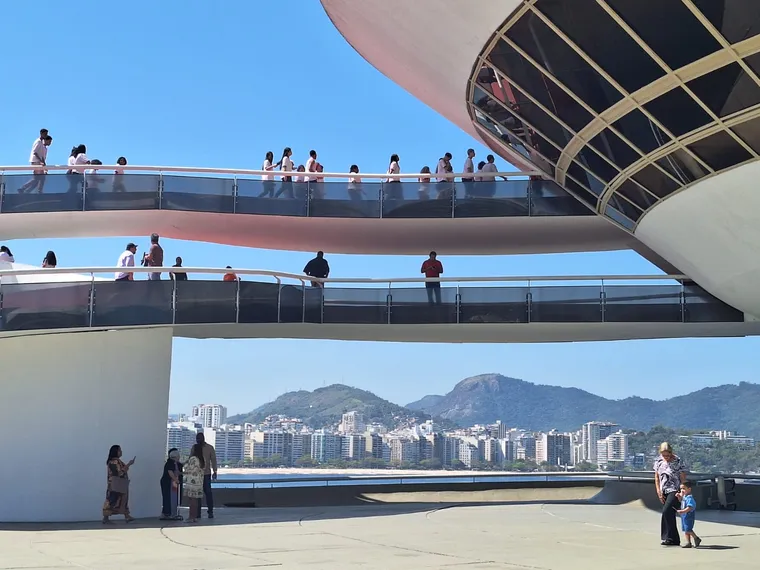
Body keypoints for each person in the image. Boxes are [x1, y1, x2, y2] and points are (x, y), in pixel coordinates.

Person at [654, 441, 687, 546]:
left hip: (674, 489)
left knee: (666, 511)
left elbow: (682, 475)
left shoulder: (677, 460)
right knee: (670, 514)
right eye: (664, 455)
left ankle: (668, 536)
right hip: (664, 490)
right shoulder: (658, 461)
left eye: (668, 455)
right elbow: (657, 477)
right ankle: (673, 539)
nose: (666, 457)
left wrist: (683, 489)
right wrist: (659, 491)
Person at [102, 444, 135, 524]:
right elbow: (119, 473)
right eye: (120, 450)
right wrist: (129, 464)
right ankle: (106, 517)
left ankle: (126, 515)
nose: (121, 452)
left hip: (119, 483)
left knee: (123, 499)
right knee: (113, 499)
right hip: (115, 484)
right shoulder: (114, 461)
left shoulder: (117, 461)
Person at [18, 129, 52, 193]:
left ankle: (27, 189)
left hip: (39, 162)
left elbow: (41, 155)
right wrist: (41, 161)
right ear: (41, 133)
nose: (45, 135)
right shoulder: (38, 141)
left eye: (46, 134)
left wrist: (43, 162)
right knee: (39, 178)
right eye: (45, 134)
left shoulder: (41, 143)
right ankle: (25, 189)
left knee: (39, 178)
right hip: (36, 161)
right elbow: (35, 152)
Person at [194, 432, 218, 519]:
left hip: (206, 474)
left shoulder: (209, 448)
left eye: (199, 438)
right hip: (197, 474)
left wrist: (215, 471)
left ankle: (210, 511)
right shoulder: (195, 447)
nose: (198, 440)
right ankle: (198, 512)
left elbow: (214, 460)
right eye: (197, 439)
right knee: (198, 494)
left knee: (208, 493)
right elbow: (191, 459)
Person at [183, 444, 205, 523]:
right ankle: (194, 517)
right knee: (195, 500)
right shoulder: (201, 459)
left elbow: (188, 468)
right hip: (198, 482)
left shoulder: (193, 458)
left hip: (192, 482)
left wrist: (185, 465)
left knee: (191, 500)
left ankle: (191, 517)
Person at [676, 481, 701, 548]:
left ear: (689, 489)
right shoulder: (685, 497)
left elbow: (690, 507)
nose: (682, 490)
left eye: (684, 488)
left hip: (688, 515)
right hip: (684, 515)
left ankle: (696, 538)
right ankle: (688, 542)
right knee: (685, 530)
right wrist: (679, 497)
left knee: (688, 529)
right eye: (681, 489)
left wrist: (682, 511)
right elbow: (681, 501)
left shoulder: (689, 498)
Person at [160, 448, 183, 521]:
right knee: (167, 497)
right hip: (167, 483)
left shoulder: (177, 463)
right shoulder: (170, 463)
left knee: (173, 498)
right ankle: (167, 513)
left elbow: (177, 472)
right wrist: (176, 480)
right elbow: (170, 472)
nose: (179, 456)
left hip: (173, 484)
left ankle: (172, 513)